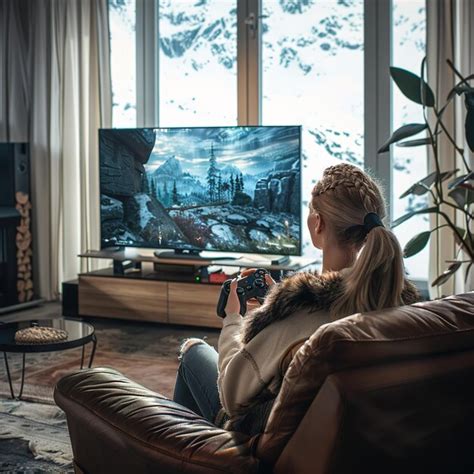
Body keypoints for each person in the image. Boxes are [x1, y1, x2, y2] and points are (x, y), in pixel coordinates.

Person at [172, 163, 421, 435]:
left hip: (268, 441)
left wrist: (233, 320)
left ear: (319, 223)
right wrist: (278, 303)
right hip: (355, 441)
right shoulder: (395, 301)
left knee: (193, 352)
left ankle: (188, 453)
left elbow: (231, 396)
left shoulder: (301, 313)